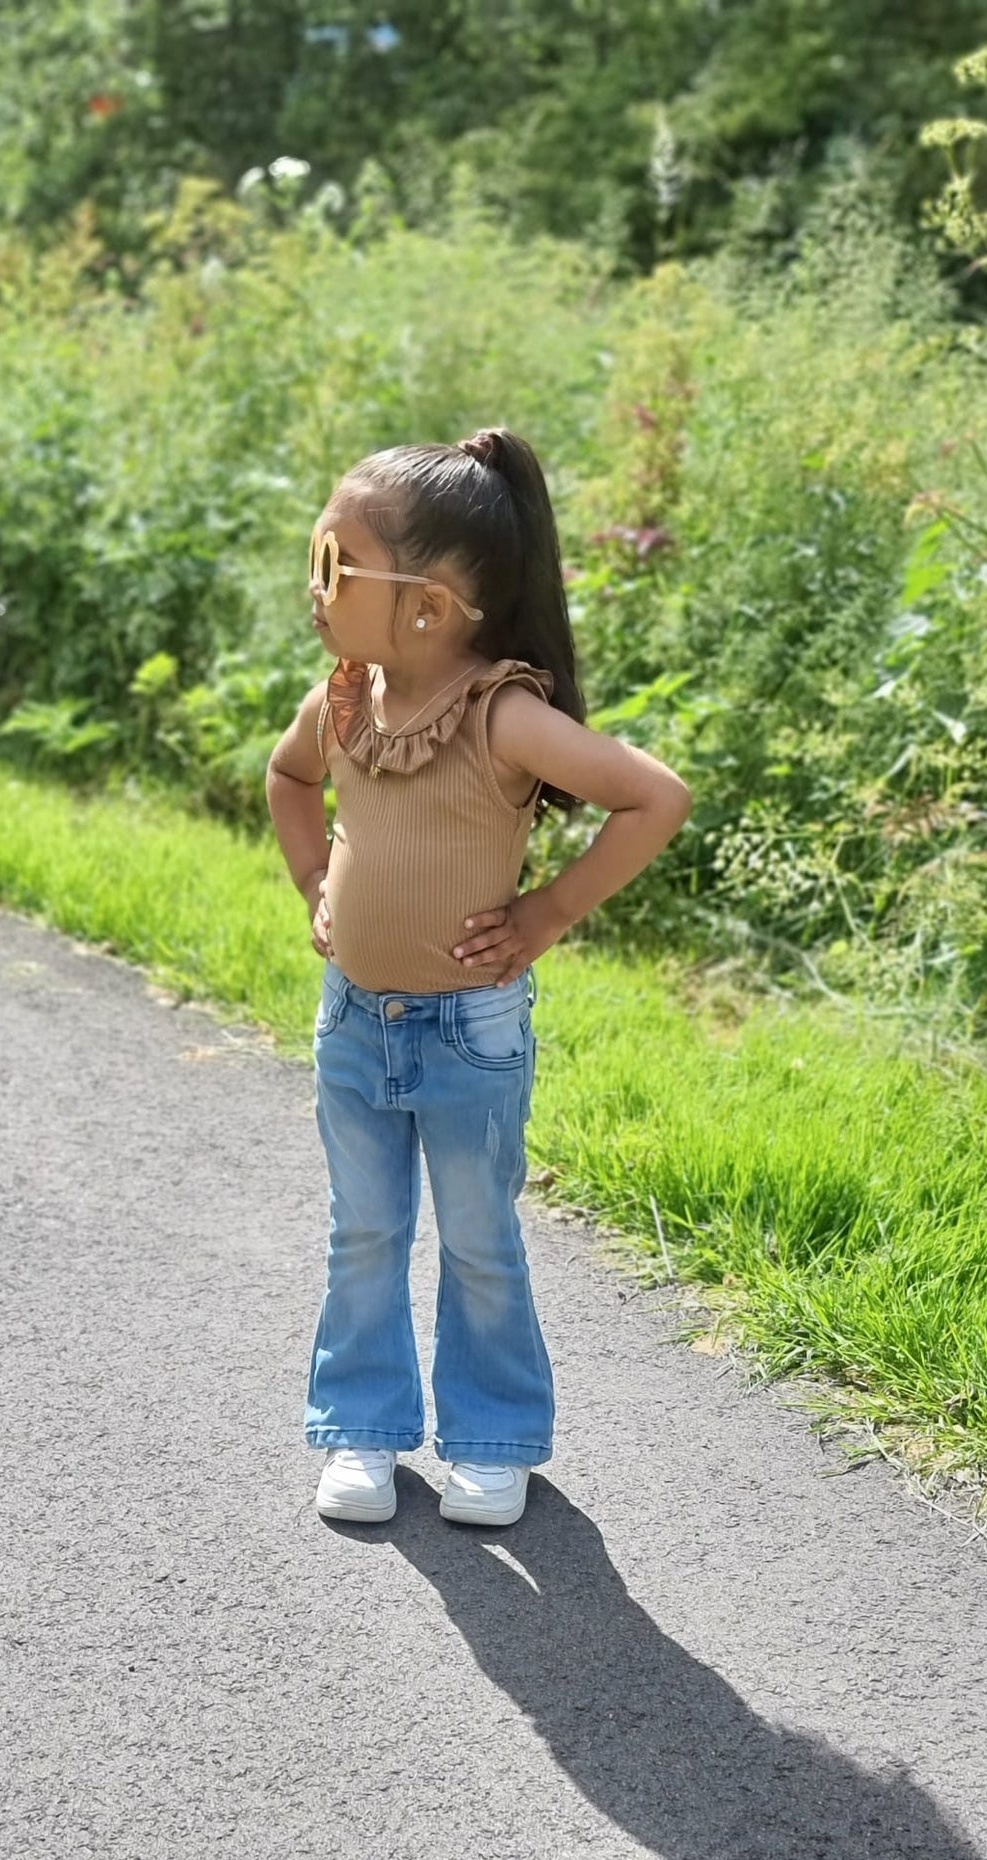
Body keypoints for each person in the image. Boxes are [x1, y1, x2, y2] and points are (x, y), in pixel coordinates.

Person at [266, 427, 692, 1527]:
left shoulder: (502, 712)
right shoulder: (349, 698)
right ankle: (361, 1431)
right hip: (354, 1021)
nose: (313, 585)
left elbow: (654, 796)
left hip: (469, 1033)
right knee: (362, 1228)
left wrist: (547, 910)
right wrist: (316, 876)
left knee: (476, 1237)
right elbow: (286, 775)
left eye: (332, 563)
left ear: (428, 603)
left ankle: (490, 1440)